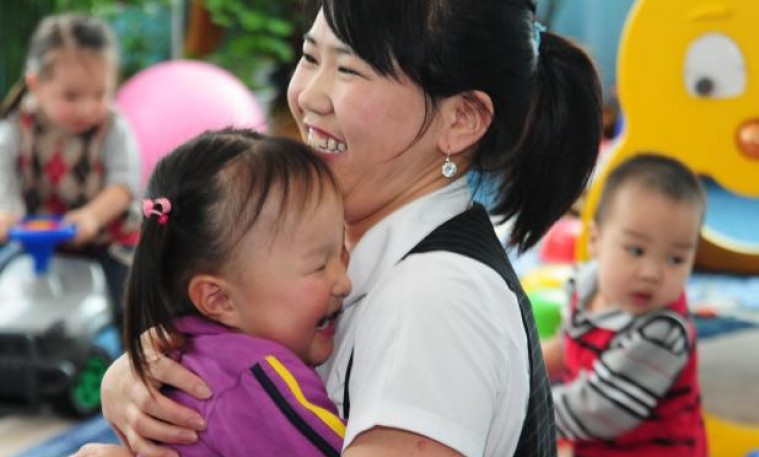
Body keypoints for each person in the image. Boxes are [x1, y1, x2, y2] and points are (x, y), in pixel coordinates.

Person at [77, 0, 602, 456]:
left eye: (349, 69)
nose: (309, 95)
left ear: (460, 119)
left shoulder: (436, 299)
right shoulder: (350, 256)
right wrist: (140, 378)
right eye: (310, 57)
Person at [121, 128, 350, 456]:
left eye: (341, 251)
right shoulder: (258, 376)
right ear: (219, 299)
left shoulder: (186, 352)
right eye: (318, 266)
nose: (344, 282)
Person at [541, 154, 708, 457]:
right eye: (636, 250)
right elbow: (567, 346)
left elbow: (596, 409)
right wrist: (520, 367)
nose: (651, 273)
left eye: (676, 259)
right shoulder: (584, 284)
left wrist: (515, 413)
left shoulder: (662, 330)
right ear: (595, 240)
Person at [0, 13, 141, 325]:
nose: (87, 108)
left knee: (132, 302)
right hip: (38, 240)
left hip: (106, 242)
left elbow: (124, 184)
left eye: (99, 94)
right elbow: (3, 176)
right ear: (35, 84)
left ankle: (125, 347)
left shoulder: (114, 128)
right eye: (71, 96)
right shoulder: (15, 128)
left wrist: (91, 216)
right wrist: (7, 212)